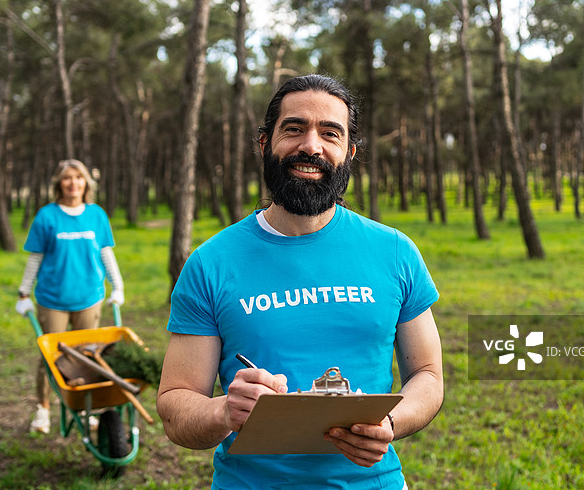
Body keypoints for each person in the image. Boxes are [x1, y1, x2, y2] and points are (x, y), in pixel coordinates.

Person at [156, 74, 443, 489]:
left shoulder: (394, 251)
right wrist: (224, 412)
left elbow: (429, 375)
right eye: (294, 128)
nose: (311, 146)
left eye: (330, 133)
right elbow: (174, 404)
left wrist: (389, 423)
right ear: (263, 142)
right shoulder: (210, 263)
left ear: (349, 152)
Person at [15, 159, 125, 434]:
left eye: (78, 177)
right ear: (59, 184)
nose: (73, 183)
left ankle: (84, 406)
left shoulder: (96, 215)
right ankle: (43, 409)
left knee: (87, 355)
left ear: (86, 182)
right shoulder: (46, 216)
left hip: (89, 298)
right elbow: (35, 258)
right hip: (52, 300)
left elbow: (105, 254)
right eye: (67, 178)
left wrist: (118, 286)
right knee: (49, 357)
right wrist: (23, 292)